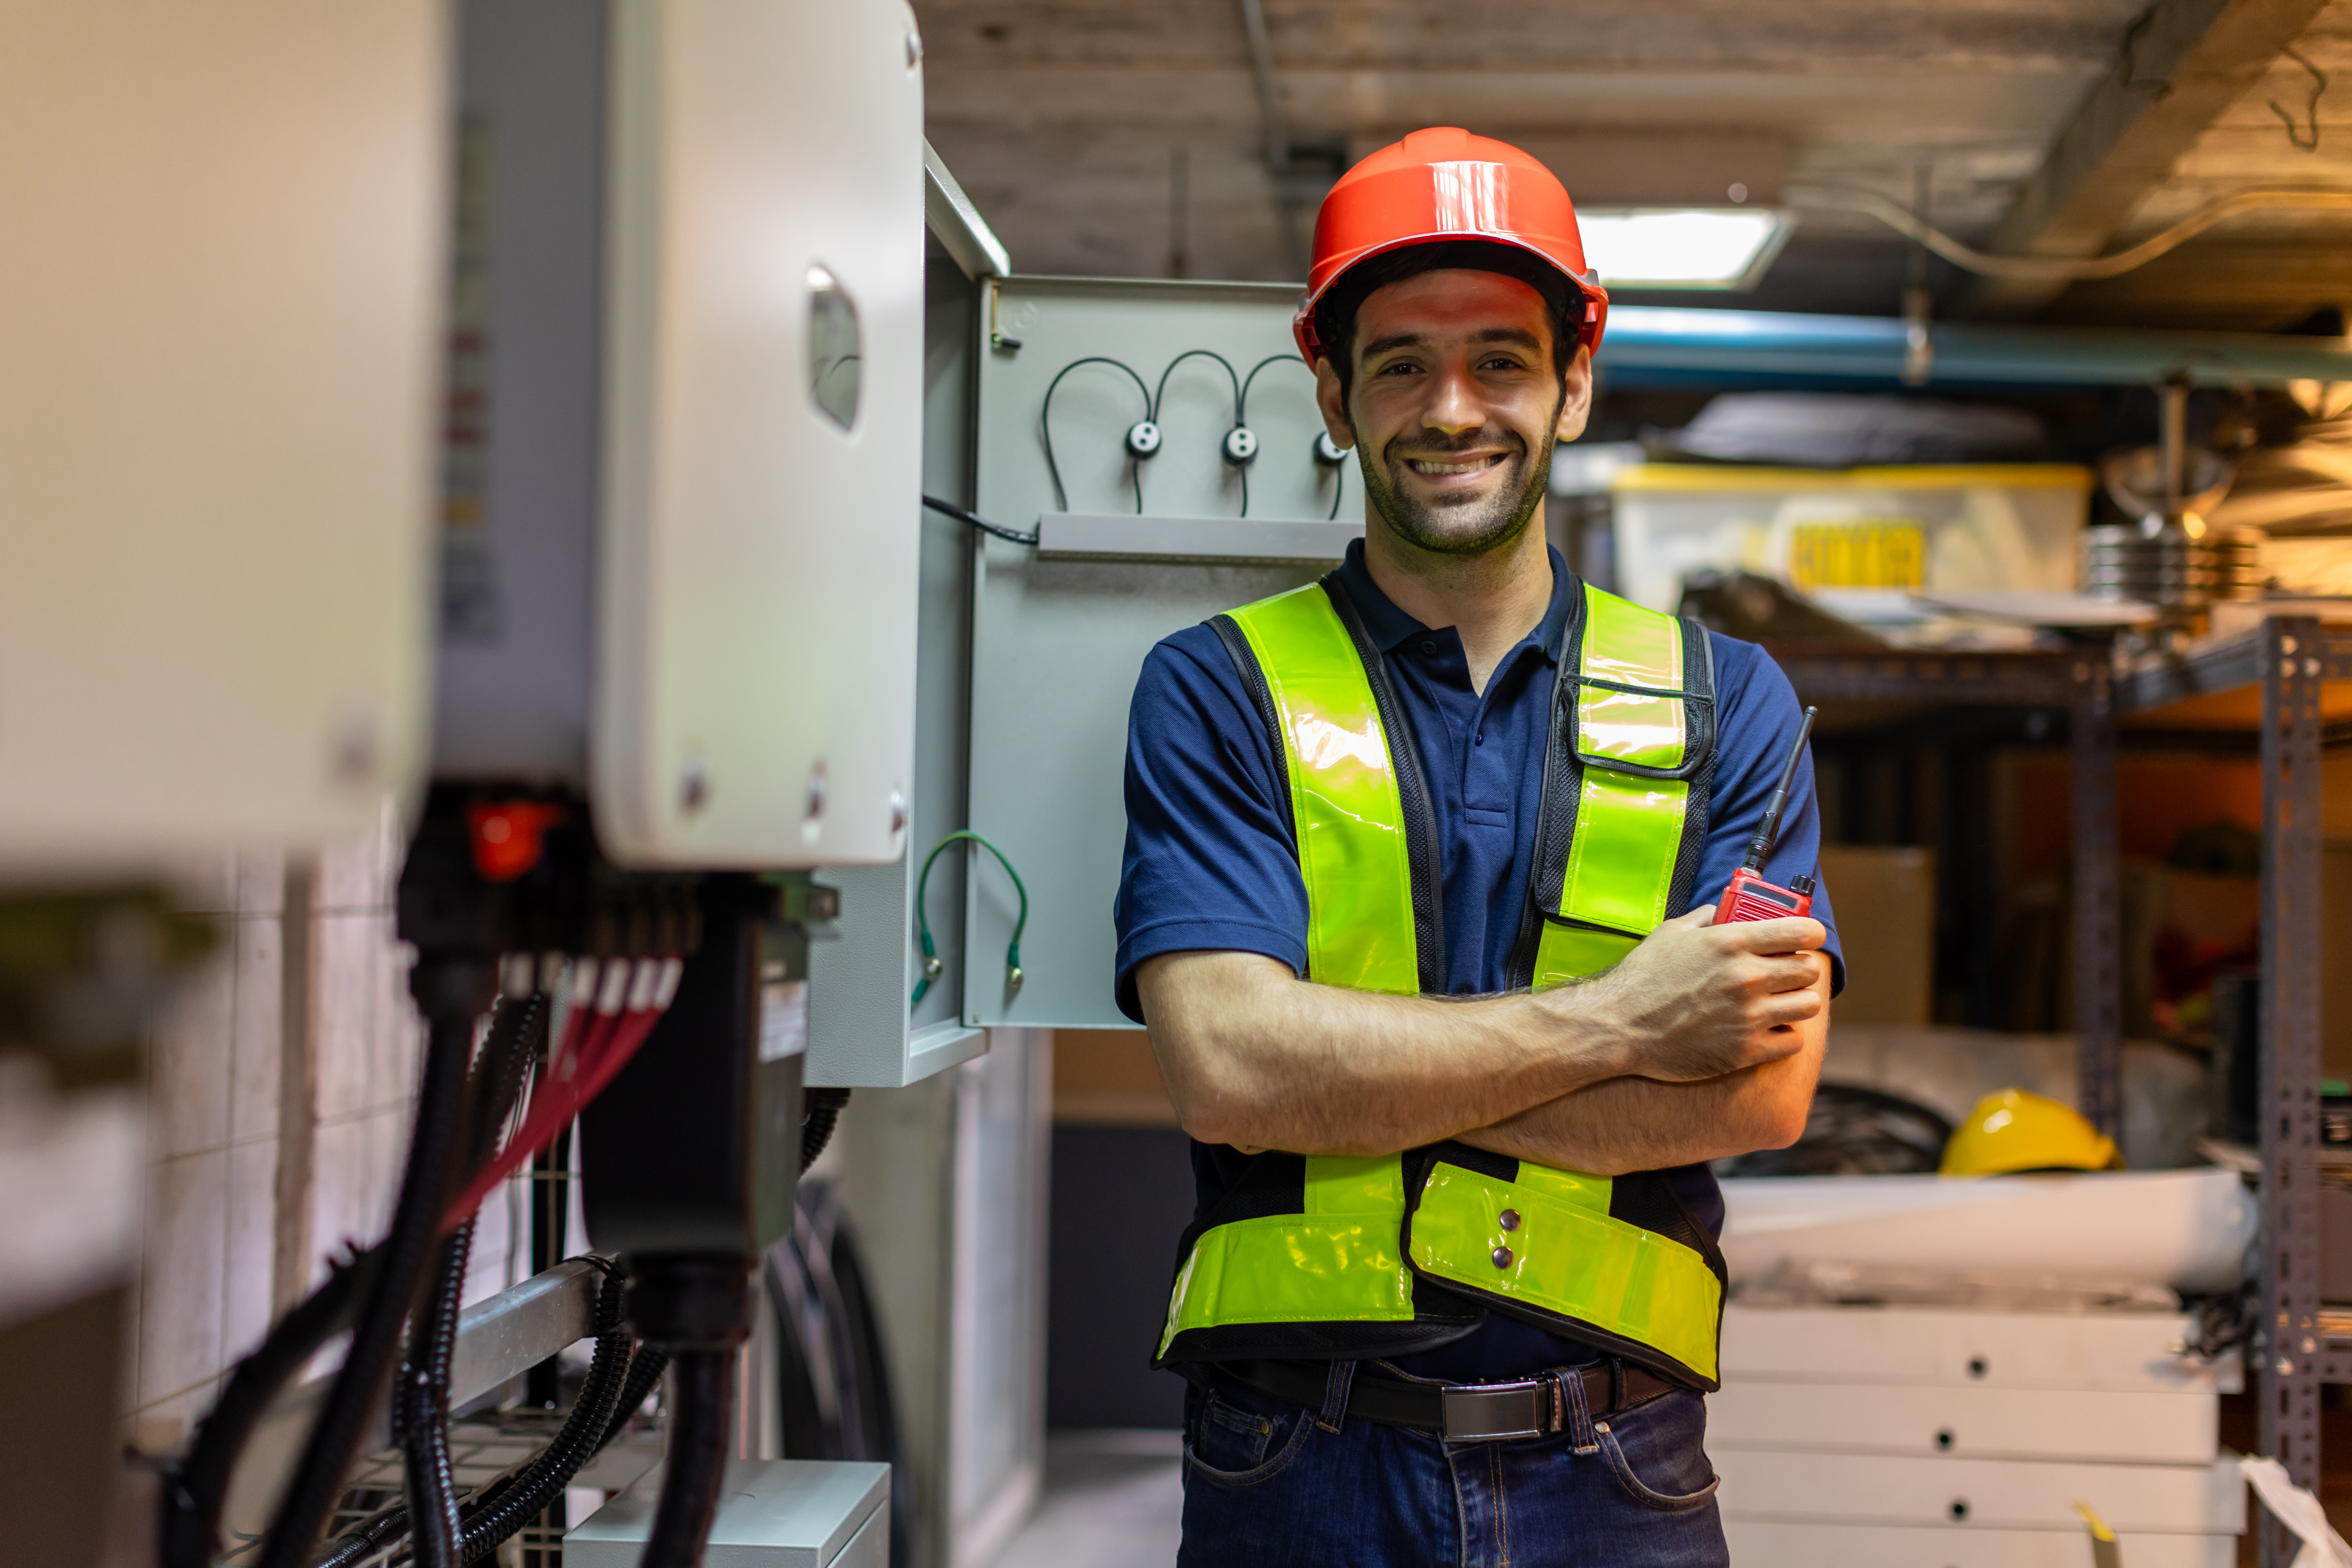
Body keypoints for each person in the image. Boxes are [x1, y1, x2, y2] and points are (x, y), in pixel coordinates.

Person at [1112, 127, 1844, 1568]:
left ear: (1576, 379)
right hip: (1295, 1467)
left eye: (1501, 359)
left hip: (1619, 1471)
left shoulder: (1729, 702)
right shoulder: (1216, 687)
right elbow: (1229, 1073)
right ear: (1330, 391)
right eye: (1401, 364)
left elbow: (1759, 1098)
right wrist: (1628, 1023)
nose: (1454, 408)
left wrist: (1351, 1080)